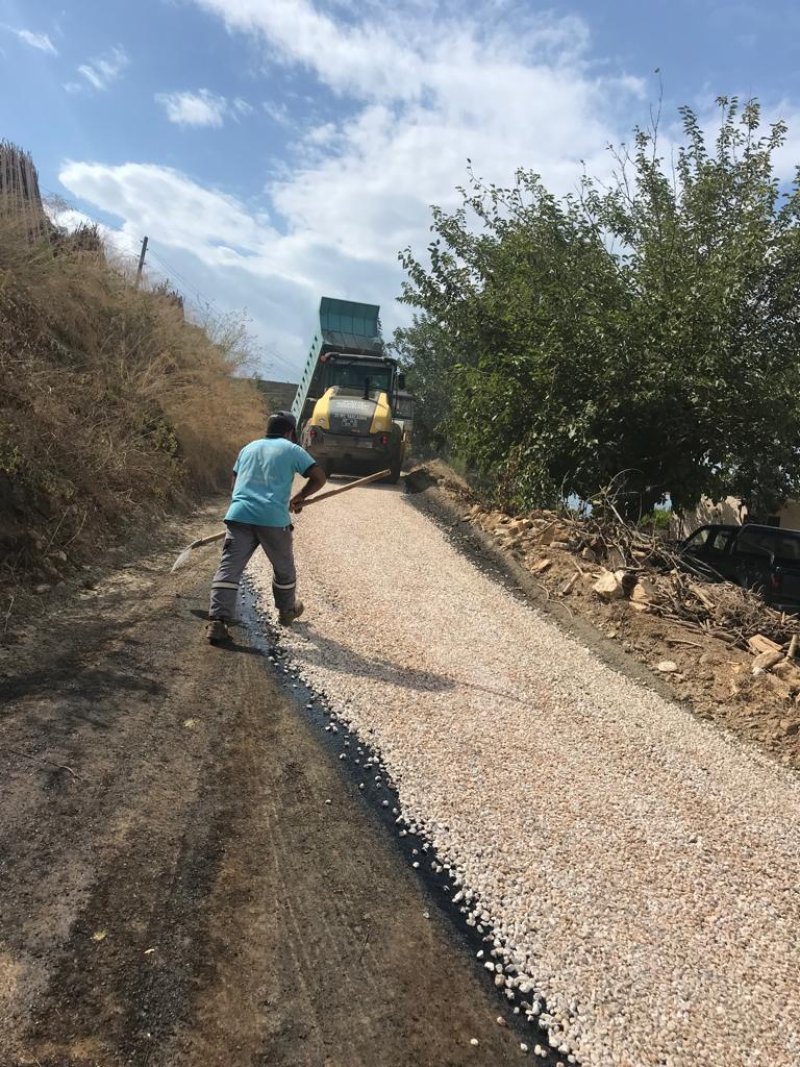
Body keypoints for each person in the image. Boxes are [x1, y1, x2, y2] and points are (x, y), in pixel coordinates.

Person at [206, 411, 326, 644]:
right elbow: (318, 477)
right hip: (273, 520)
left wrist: (246, 506)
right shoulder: (292, 449)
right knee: (283, 568)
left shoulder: (247, 448)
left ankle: (218, 622)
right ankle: (286, 611)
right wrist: (300, 497)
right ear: (290, 432)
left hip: (238, 516)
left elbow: (235, 483)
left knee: (229, 568)